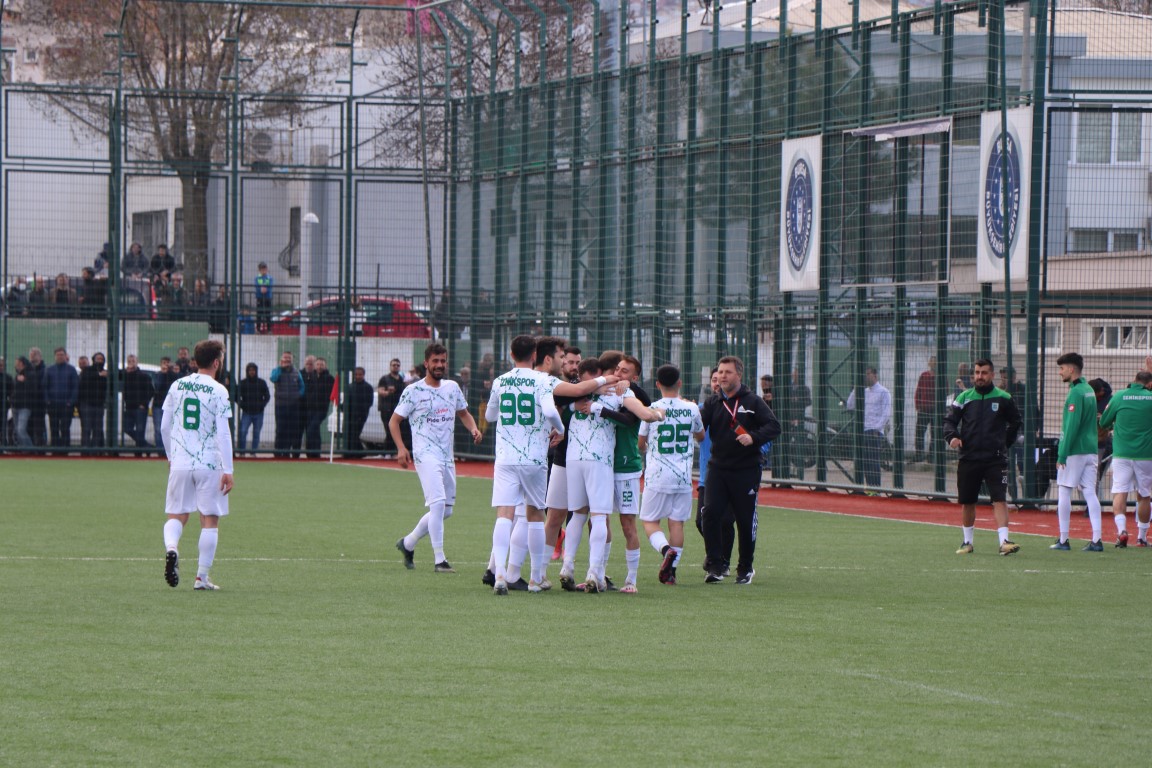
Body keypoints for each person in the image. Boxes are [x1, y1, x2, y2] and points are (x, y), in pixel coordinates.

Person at [484, 335, 621, 595]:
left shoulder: (500, 381)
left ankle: (500, 574)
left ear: (511, 355)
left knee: (505, 514)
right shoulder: (542, 380)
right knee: (536, 515)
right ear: (535, 355)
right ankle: (536, 578)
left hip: (505, 457)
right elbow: (554, 407)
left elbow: (490, 416)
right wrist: (560, 428)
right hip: (534, 458)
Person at [392, 343, 482, 573]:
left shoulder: (452, 388)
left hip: (446, 456)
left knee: (445, 510)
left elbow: (464, 413)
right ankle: (440, 560)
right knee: (438, 504)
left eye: (443, 361)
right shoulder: (413, 391)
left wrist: (473, 428)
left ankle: (408, 543)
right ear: (426, 363)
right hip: (425, 455)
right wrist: (401, 448)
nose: (440, 365)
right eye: (435, 361)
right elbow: (394, 421)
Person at [699, 355, 780, 585]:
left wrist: (753, 437)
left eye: (727, 372)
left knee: (745, 520)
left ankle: (745, 567)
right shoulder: (712, 403)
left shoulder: (753, 402)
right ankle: (716, 566)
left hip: (746, 469)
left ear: (739, 375)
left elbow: (774, 427)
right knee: (710, 514)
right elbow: (699, 426)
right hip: (717, 468)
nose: (722, 376)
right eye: (720, 372)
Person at [161, 339, 235, 591]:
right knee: (210, 519)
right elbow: (223, 433)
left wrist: (171, 457)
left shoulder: (177, 385)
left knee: (177, 514)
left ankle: (172, 548)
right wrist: (228, 469)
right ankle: (201, 578)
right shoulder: (219, 390)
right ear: (216, 362)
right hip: (209, 463)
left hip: (180, 461)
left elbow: (164, 426)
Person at [942, 359, 1022, 556]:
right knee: (968, 501)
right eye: (977, 373)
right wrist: (952, 437)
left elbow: (1016, 422)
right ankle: (967, 542)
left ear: (992, 375)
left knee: (1000, 499)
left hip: (995, 459)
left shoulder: (1004, 397)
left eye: (984, 373)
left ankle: (1004, 542)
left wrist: (1004, 444)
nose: (980, 376)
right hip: (969, 458)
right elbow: (949, 421)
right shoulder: (964, 397)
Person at [638, 364, 705, 586]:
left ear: (657, 384)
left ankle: (666, 550)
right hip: (683, 476)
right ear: (680, 383)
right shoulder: (692, 408)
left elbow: (641, 443)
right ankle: (671, 573)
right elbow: (701, 436)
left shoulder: (651, 408)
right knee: (677, 524)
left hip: (657, 475)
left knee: (650, 521)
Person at [1050, 352, 1103, 551]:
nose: (1060, 372)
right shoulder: (1088, 389)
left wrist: (1062, 453)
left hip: (1075, 450)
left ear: (1071, 369)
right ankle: (1097, 540)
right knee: (1089, 492)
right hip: (1090, 449)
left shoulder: (1075, 393)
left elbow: (1072, 425)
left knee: (1064, 490)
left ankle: (1063, 540)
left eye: (1062, 368)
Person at [1097, 371, 1152, 548]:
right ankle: (1142, 538)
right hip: (1146, 455)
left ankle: (1122, 531)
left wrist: (1116, 423)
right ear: (1149, 384)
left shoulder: (1120, 396)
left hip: (1122, 454)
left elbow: (1104, 422)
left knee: (1120, 492)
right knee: (1144, 496)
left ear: (1134, 380)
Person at [844, 367, 892, 489]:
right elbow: (850, 405)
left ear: (875, 375)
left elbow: (886, 413)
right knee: (865, 462)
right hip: (863, 431)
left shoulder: (883, 392)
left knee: (873, 461)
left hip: (874, 431)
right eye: (864, 374)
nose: (865, 377)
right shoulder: (864, 392)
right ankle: (870, 488)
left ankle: (876, 489)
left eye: (868, 374)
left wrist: (877, 428)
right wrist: (856, 389)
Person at [270, 351, 304, 457]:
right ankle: (278, 452)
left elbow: (302, 386)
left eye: (289, 358)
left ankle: (287, 452)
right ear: (281, 359)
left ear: (292, 360)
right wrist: (280, 368)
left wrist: (298, 395)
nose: (287, 360)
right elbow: (273, 378)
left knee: (292, 429)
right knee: (280, 429)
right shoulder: (276, 371)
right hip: (280, 405)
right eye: (285, 358)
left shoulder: (297, 372)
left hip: (294, 406)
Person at [44, 347, 79, 449]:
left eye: (62, 355)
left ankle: (65, 450)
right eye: (58, 355)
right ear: (55, 356)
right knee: (54, 428)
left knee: (65, 428)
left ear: (65, 356)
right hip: (53, 404)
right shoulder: (49, 370)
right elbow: (45, 387)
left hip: (66, 405)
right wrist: (47, 401)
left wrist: (71, 402)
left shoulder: (71, 370)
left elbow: (75, 387)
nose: (60, 357)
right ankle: (55, 449)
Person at [303, 357, 335, 459]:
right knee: (313, 431)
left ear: (325, 366)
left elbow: (331, 393)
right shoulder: (310, 376)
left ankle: (315, 452)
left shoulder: (329, 378)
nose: (319, 366)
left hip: (321, 409)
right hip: (309, 409)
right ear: (315, 366)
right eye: (318, 364)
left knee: (312, 429)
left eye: (322, 365)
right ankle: (311, 453)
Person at [121, 354, 155, 450]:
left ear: (137, 362)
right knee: (127, 428)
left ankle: (139, 451)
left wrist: (143, 404)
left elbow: (151, 391)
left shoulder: (144, 376)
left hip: (140, 408)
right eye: (129, 361)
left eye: (133, 361)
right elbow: (116, 375)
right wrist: (126, 371)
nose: (131, 363)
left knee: (140, 431)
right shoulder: (125, 375)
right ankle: (146, 446)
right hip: (128, 407)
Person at [237, 362, 271, 454]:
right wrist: (243, 406)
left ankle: (253, 452)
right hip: (246, 412)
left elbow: (267, 396)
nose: (252, 372)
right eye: (250, 370)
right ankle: (242, 452)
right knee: (243, 432)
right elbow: (237, 396)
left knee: (256, 434)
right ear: (247, 371)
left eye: (253, 370)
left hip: (259, 413)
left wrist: (262, 405)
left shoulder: (262, 383)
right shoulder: (243, 383)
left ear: (256, 371)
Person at [77, 351, 109, 449]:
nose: (100, 361)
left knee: (97, 429)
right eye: (98, 359)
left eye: (102, 359)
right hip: (87, 404)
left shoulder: (106, 373)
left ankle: (96, 450)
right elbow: (85, 381)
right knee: (86, 428)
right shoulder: (87, 370)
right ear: (93, 360)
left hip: (99, 405)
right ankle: (85, 450)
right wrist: (99, 375)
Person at [377, 358, 407, 458]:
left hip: (398, 410)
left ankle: (392, 452)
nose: (396, 367)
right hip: (387, 409)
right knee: (389, 431)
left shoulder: (402, 380)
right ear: (390, 366)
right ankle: (386, 452)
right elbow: (380, 391)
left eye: (398, 365)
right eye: (394, 365)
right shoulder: (385, 379)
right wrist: (388, 392)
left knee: (398, 431)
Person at [912, 356, 938, 463]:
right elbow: (918, 390)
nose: (933, 364)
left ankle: (931, 456)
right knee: (919, 432)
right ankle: (919, 454)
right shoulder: (924, 375)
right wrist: (917, 405)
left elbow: (945, 392)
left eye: (935, 362)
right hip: (923, 408)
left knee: (935, 433)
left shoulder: (941, 376)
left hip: (935, 409)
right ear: (929, 364)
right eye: (932, 362)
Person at [152, 356, 180, 454]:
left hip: (171, 406)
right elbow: (157, 387)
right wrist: (163, 374)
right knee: (158, 429)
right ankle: (160, 451)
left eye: (167, 363)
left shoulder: (174, 375)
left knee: (172, 429)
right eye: (164, 363)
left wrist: (170, 373)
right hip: (158, 405)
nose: (166, 365)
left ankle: (170, 451)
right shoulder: (157, 375)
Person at [345, 366, 375, 453]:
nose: (358, 376)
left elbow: (369, 402)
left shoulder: (368, 387)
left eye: (360, 374)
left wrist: (362, 412)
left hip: (361, 415)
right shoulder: (350, 387)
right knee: (350, 434)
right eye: (356, 374)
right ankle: (354, 452)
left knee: (355, 433)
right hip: (350, 415)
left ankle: (358, 452)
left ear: (363, 375)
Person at [11, 357, 36, 447]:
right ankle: (23, 449)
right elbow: (14, 389)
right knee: (17, 431)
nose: (15, 364)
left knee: (21, 429)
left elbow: (33, 389)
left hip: (25, 406)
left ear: (21, 363)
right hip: (15, 406)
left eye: (17, 362)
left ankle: (30, 449)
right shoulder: (17, 375)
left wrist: (24, 381)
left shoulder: (31, 374)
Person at [26, 347, 47, 445]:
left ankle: (40, 448)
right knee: (29, 427)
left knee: (39, 428)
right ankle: (31, 447)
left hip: (39, 403)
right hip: (29, 403)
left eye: (34, 355)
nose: (32, 357)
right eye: (31, 355)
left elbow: (44, 386)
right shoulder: (28, 369)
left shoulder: (45, 370)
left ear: (40, 356)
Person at [254, 261, 273, 333]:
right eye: (262, 268)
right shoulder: (257, 278)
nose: (264, 270)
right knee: (259, 313)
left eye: (265, 268)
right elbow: (256, 286)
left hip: (267, 297)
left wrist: (266, 289)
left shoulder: (269, 277)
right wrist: (260, 289)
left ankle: (269, 329)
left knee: (268, 313)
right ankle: (258, 329)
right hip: (260, 297)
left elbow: (270, 286)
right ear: (259, 270)